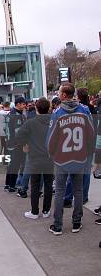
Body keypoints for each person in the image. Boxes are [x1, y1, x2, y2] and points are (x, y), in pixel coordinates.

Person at [47, 83, 96, 235]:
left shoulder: (57, 113)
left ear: (63, 95)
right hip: (80, 157)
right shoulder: (85, 110)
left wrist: (51, 154)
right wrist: (88, 152)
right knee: (78, 190)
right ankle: (76, 222)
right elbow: (91, 133)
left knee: (60, 191)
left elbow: (51, 139)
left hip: (62, 158)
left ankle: (58, 225)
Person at [17, 97, 54, 220]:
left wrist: (25, 144)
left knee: (35, 183)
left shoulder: (30, 122)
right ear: (49, 108)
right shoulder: (54, 121)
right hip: (49, 157)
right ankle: (46, 210)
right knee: (48, 184)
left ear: (36, 108)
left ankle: (34, 211)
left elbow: (19, 135)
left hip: (35, 156)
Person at [4, 96, 27, 194]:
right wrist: (23, 143)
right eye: (23, 104)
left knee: (11, 165)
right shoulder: (17, 115)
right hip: (16, 144)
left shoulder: (10, 114)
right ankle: (12, 186)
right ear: (18, 104)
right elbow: (19, 131)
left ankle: (8, 184)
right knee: (16, 165)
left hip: (9, 142)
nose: (25, 106)